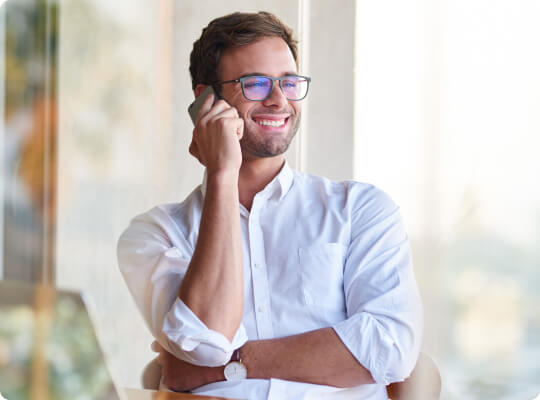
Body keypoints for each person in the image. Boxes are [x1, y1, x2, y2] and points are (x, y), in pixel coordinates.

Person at [117, 11, 423, 400]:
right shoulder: (155, 234)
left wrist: (234, 361)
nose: (280, 100)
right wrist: (222, 173)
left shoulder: (361, 211)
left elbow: (389, 349)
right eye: (256, 83)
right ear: (205, 101)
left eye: (289, 83)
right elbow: (205, 342)